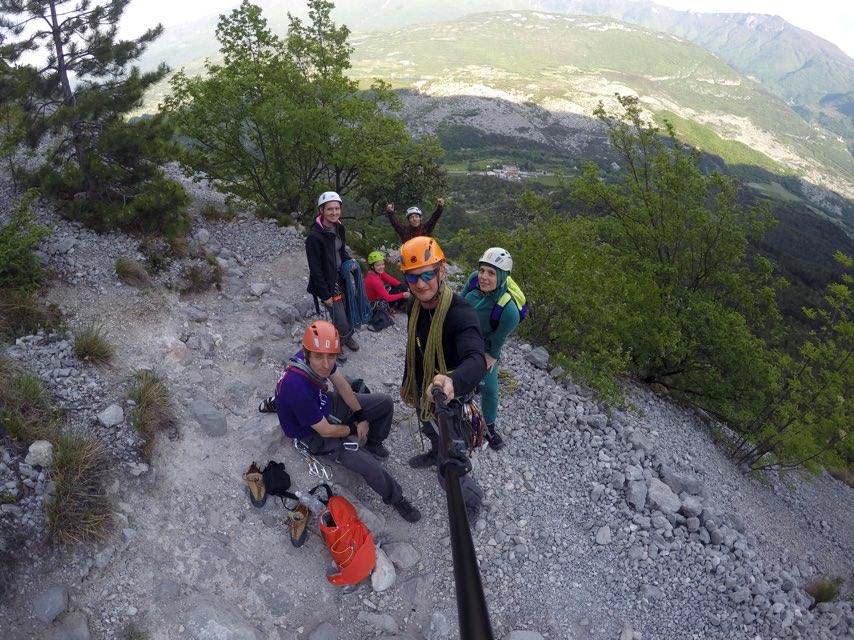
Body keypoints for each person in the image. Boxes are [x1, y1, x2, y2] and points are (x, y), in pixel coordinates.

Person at [274, 320, 421, 523]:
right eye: (319, 357)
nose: (326, 364)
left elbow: (342, 385)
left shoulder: (313, 355)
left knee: (384, 403)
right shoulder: (296, 388)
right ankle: (397, 498)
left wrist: (360, 415)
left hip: (325, 404)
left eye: (331, 357)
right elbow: (325, 431)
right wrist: (354, 427)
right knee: (371, 467)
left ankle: (374, 442)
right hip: (313, 434)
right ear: (306, 353)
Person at [398, 236, 487, 519]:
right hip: (424, 392)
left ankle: (470, 503)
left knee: (450, 469)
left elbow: (477, 359)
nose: (421, 284)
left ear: (442, 271)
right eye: (413, 278)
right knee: (427, 427)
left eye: (427, 274)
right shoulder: (417, 305)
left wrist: (451, 380)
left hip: (450, 402)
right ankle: (434, 449)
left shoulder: (460, 313)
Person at [463, 248, 522, 451]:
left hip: (484, 346)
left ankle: (489, 426)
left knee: (490, 387)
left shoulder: (509, 310)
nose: (483, 277)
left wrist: (491, 357)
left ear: (503, 276)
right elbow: (460, 304)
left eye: (491, 273)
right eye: (482, 270)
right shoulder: (472, 280)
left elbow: (498, 339)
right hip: (462, 335)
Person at [305, 191, 358, 363]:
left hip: (340, 276)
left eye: (337, 209)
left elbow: (341, 251)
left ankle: (347, 336)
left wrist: (352, 263)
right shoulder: (314, 237)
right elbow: (315, 269)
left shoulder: (339, 227)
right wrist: (325, 294)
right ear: (321, 210)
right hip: (328, 283)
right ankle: (338, 343)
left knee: (349, 310)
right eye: (330, 209)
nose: (334, 212)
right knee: (339, 317)